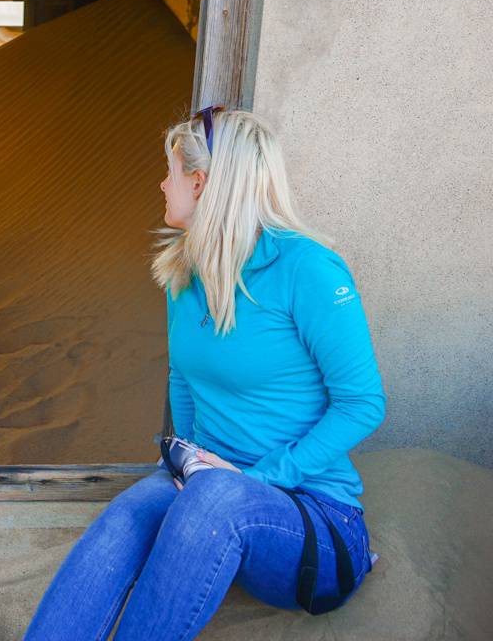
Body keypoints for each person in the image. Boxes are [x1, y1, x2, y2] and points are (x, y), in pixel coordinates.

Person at [23, 107, 388, 640]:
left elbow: (363, 403)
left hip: (315, 518)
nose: (162, 183)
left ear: (200, 182)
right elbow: (182, 379)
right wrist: (187, 458)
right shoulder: (183, 274)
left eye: (170, 172)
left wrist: (255, 479)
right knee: (122, 520)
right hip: (209, 484)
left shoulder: (308, 269)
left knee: (214, 499)